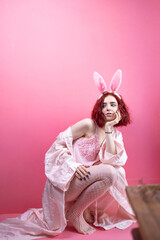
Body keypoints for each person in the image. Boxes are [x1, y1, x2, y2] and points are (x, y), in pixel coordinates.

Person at [0, 70, 135, 239]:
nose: (108, 108)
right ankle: (76, 213)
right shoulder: (88, 125)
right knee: (110, 172)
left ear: (120, 109)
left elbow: (112, 161)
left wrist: (108, 129)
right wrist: (73, 165)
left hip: (85, 183)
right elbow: (57, 145)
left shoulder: (114, 135)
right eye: (104, 104)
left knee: (116, 171)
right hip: (67, 182)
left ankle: (80, 210)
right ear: (98, 107)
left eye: (113, 104)